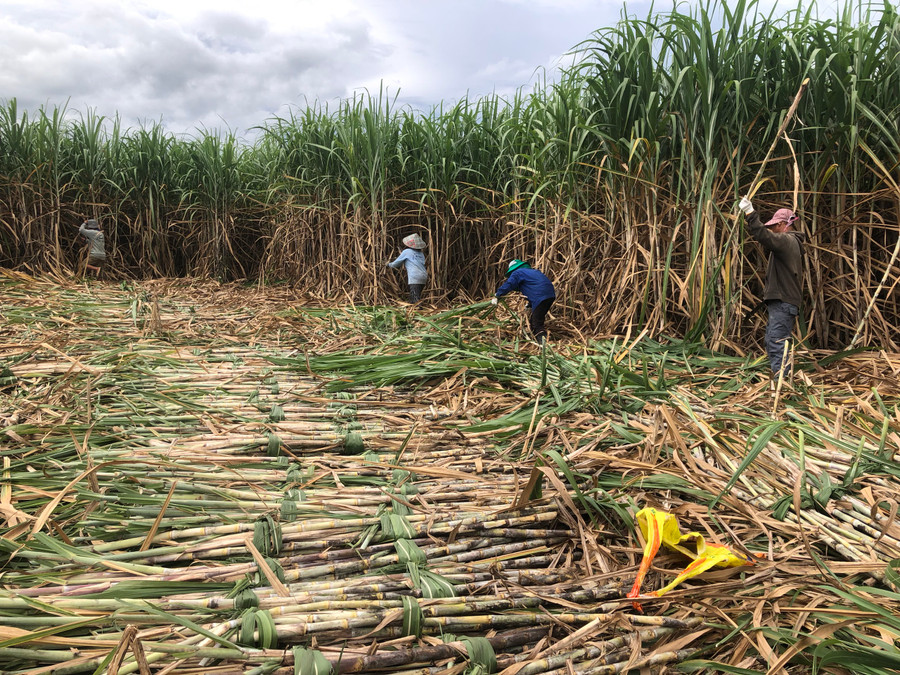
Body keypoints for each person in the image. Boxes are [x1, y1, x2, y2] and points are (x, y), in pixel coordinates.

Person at [738, 197, 806, 378]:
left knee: (776, 342)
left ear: (784, 224)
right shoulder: (791, 243)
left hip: (784, 301)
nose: (772, 229)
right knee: (773, 340)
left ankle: (782, 384)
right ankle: (782, 379)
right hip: (783, 302)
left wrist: (750, 213)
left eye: (775, 226)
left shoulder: (787, 240)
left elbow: (763, 236)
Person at [491, 259, 556, 342]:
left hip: (540, 297)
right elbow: (535, 288)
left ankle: (544, 345)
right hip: (550, 295)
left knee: (536, 324)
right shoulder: (532, 272)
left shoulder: (517, 273)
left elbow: (510, 284)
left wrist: (498, 295)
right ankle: (535, 339)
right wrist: (530, 304)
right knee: (535, 319)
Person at [387, 233, 427, 302]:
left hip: (415, 277)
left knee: (415, 297)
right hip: (423, 276)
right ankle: (413, 308)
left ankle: (417, 309)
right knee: (415, 294)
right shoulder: (421, 253)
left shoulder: (407, 251)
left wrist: (387, 265)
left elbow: (396, 264)